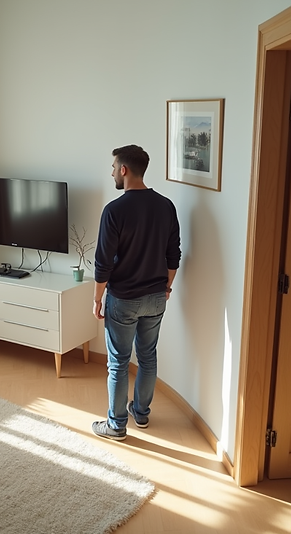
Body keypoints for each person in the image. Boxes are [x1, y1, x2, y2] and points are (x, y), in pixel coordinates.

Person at [91, 145, 181, 441]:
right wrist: (166, 286)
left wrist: (97, 298)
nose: (112, 173)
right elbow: (174, 255)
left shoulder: (114, 210)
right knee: (148, 356)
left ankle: (116, 425)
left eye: (113, 167)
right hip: (156, 297)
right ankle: (140, 413)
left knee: (118, 362)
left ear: (124, 170)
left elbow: (103, 262)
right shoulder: (166, 206)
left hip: (123, 299)